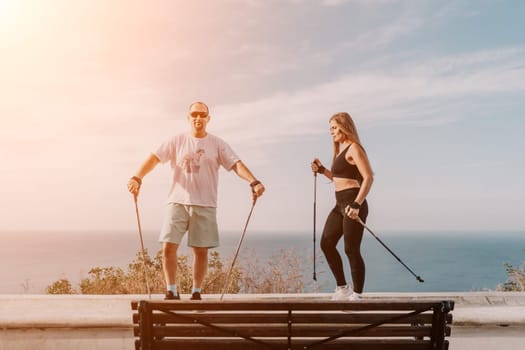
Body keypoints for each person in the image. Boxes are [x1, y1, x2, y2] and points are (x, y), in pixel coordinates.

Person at [128, 101, 265, 300]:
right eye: (194, 114)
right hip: (177, 201)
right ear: (188, 118)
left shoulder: (218, 144)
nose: (198, 118)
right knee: (168, 246)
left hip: (205, 204)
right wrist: (137, 177)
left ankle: (196, 292)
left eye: (202, 114)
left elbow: (236, 164)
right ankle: (171, 290)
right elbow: (154, 158)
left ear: (208, 119)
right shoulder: (176, 141)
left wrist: (254, 181)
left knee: (201, 251)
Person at [311, 112, 373, 301]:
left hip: (353, 203)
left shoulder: (354, 148)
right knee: (326, 243)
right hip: (339, 204)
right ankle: (342, 287)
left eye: (334, 127)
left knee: (351, 249)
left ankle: (358, 294)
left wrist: (357, 204)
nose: (331, 132)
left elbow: (368, 177)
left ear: (345, 126)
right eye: (330, 128)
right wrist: (322, 171)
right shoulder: (340, 149)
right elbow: (339, 178)